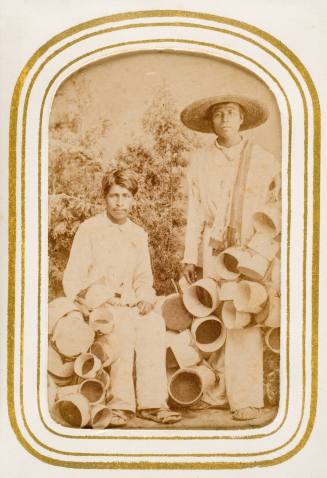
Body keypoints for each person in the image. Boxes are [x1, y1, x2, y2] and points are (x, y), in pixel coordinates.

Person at [180, 94, 280, 420]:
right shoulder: (201, 161)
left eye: (230, 113)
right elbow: (195, 211)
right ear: (211, 122)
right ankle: (217, 391)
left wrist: (262, 249)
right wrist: (189, 255)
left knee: (243, 316)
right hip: (213, 248)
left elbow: (277, 206)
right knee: (213, 317)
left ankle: (245, 398)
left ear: (241, 119)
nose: (224, 119)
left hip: (250, 248)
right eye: (218, 114)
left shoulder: (264, 161)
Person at [63, 168, 181, 426]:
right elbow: (73, 277)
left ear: (133, 199)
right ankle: (121, 406)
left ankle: (153, 404)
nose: (119, 202)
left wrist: (145, 297)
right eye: (114, 195)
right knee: (122, 330)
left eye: (125, 196)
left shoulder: (137, 234)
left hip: (130, 303)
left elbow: (143, 278)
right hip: (101, 306)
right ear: (104, 198)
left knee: (153, 324)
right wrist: (87, 304)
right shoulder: (89, 229)